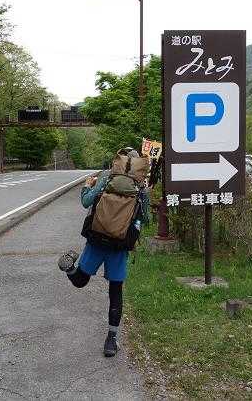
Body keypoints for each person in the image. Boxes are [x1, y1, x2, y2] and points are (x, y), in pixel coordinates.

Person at [57, 147, 149, 357]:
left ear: (119, 162)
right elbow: (145, 219)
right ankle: (111, 341)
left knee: (81, 279)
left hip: (97, 239)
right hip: (119, 246)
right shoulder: (140, 187)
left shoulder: (107, 177)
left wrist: (86, 187)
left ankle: (69, 267)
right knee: (115, 292)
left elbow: (86, 202)